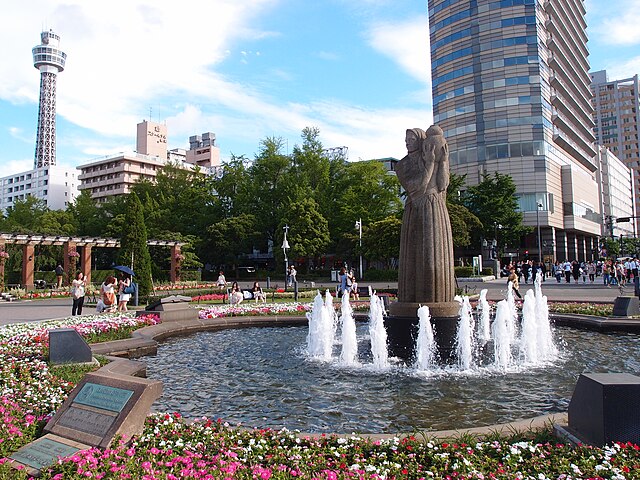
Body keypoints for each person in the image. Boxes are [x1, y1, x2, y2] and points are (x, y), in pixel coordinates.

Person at [395, 126, 455, 304]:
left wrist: (442, 162)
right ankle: (411, 299)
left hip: (435, 205)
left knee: (436, 255)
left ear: (421, 140)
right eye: (406, 139)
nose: (407, 142)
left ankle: (440, 299)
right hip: (416, 210)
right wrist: (430, 164)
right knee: (416, 257)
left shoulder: (432, 156)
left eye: (411, 139)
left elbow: (443, 185)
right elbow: (417, 187)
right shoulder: (402, 165)